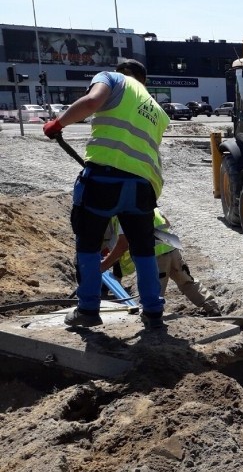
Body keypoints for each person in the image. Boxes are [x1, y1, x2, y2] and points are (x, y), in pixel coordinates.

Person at [43, 59, 169, 329]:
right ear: (144, 80)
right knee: (143, 250)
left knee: (88, 244)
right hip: (143, 187)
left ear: (123, 73)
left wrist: (57, 124)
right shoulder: (158, 110)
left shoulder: (113, 79)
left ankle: (88, 309)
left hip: (104, 178)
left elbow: (91, 102)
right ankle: (153, 312)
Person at [100, 209, 222, 315]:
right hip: (172, 250)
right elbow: (167, 223)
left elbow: (122, 245)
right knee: (186, 281)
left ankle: (152, 316)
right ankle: (211, 306)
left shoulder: (124, 215)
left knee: (153, 291)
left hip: (156, 258)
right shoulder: (151, 207)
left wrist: (104, 265)